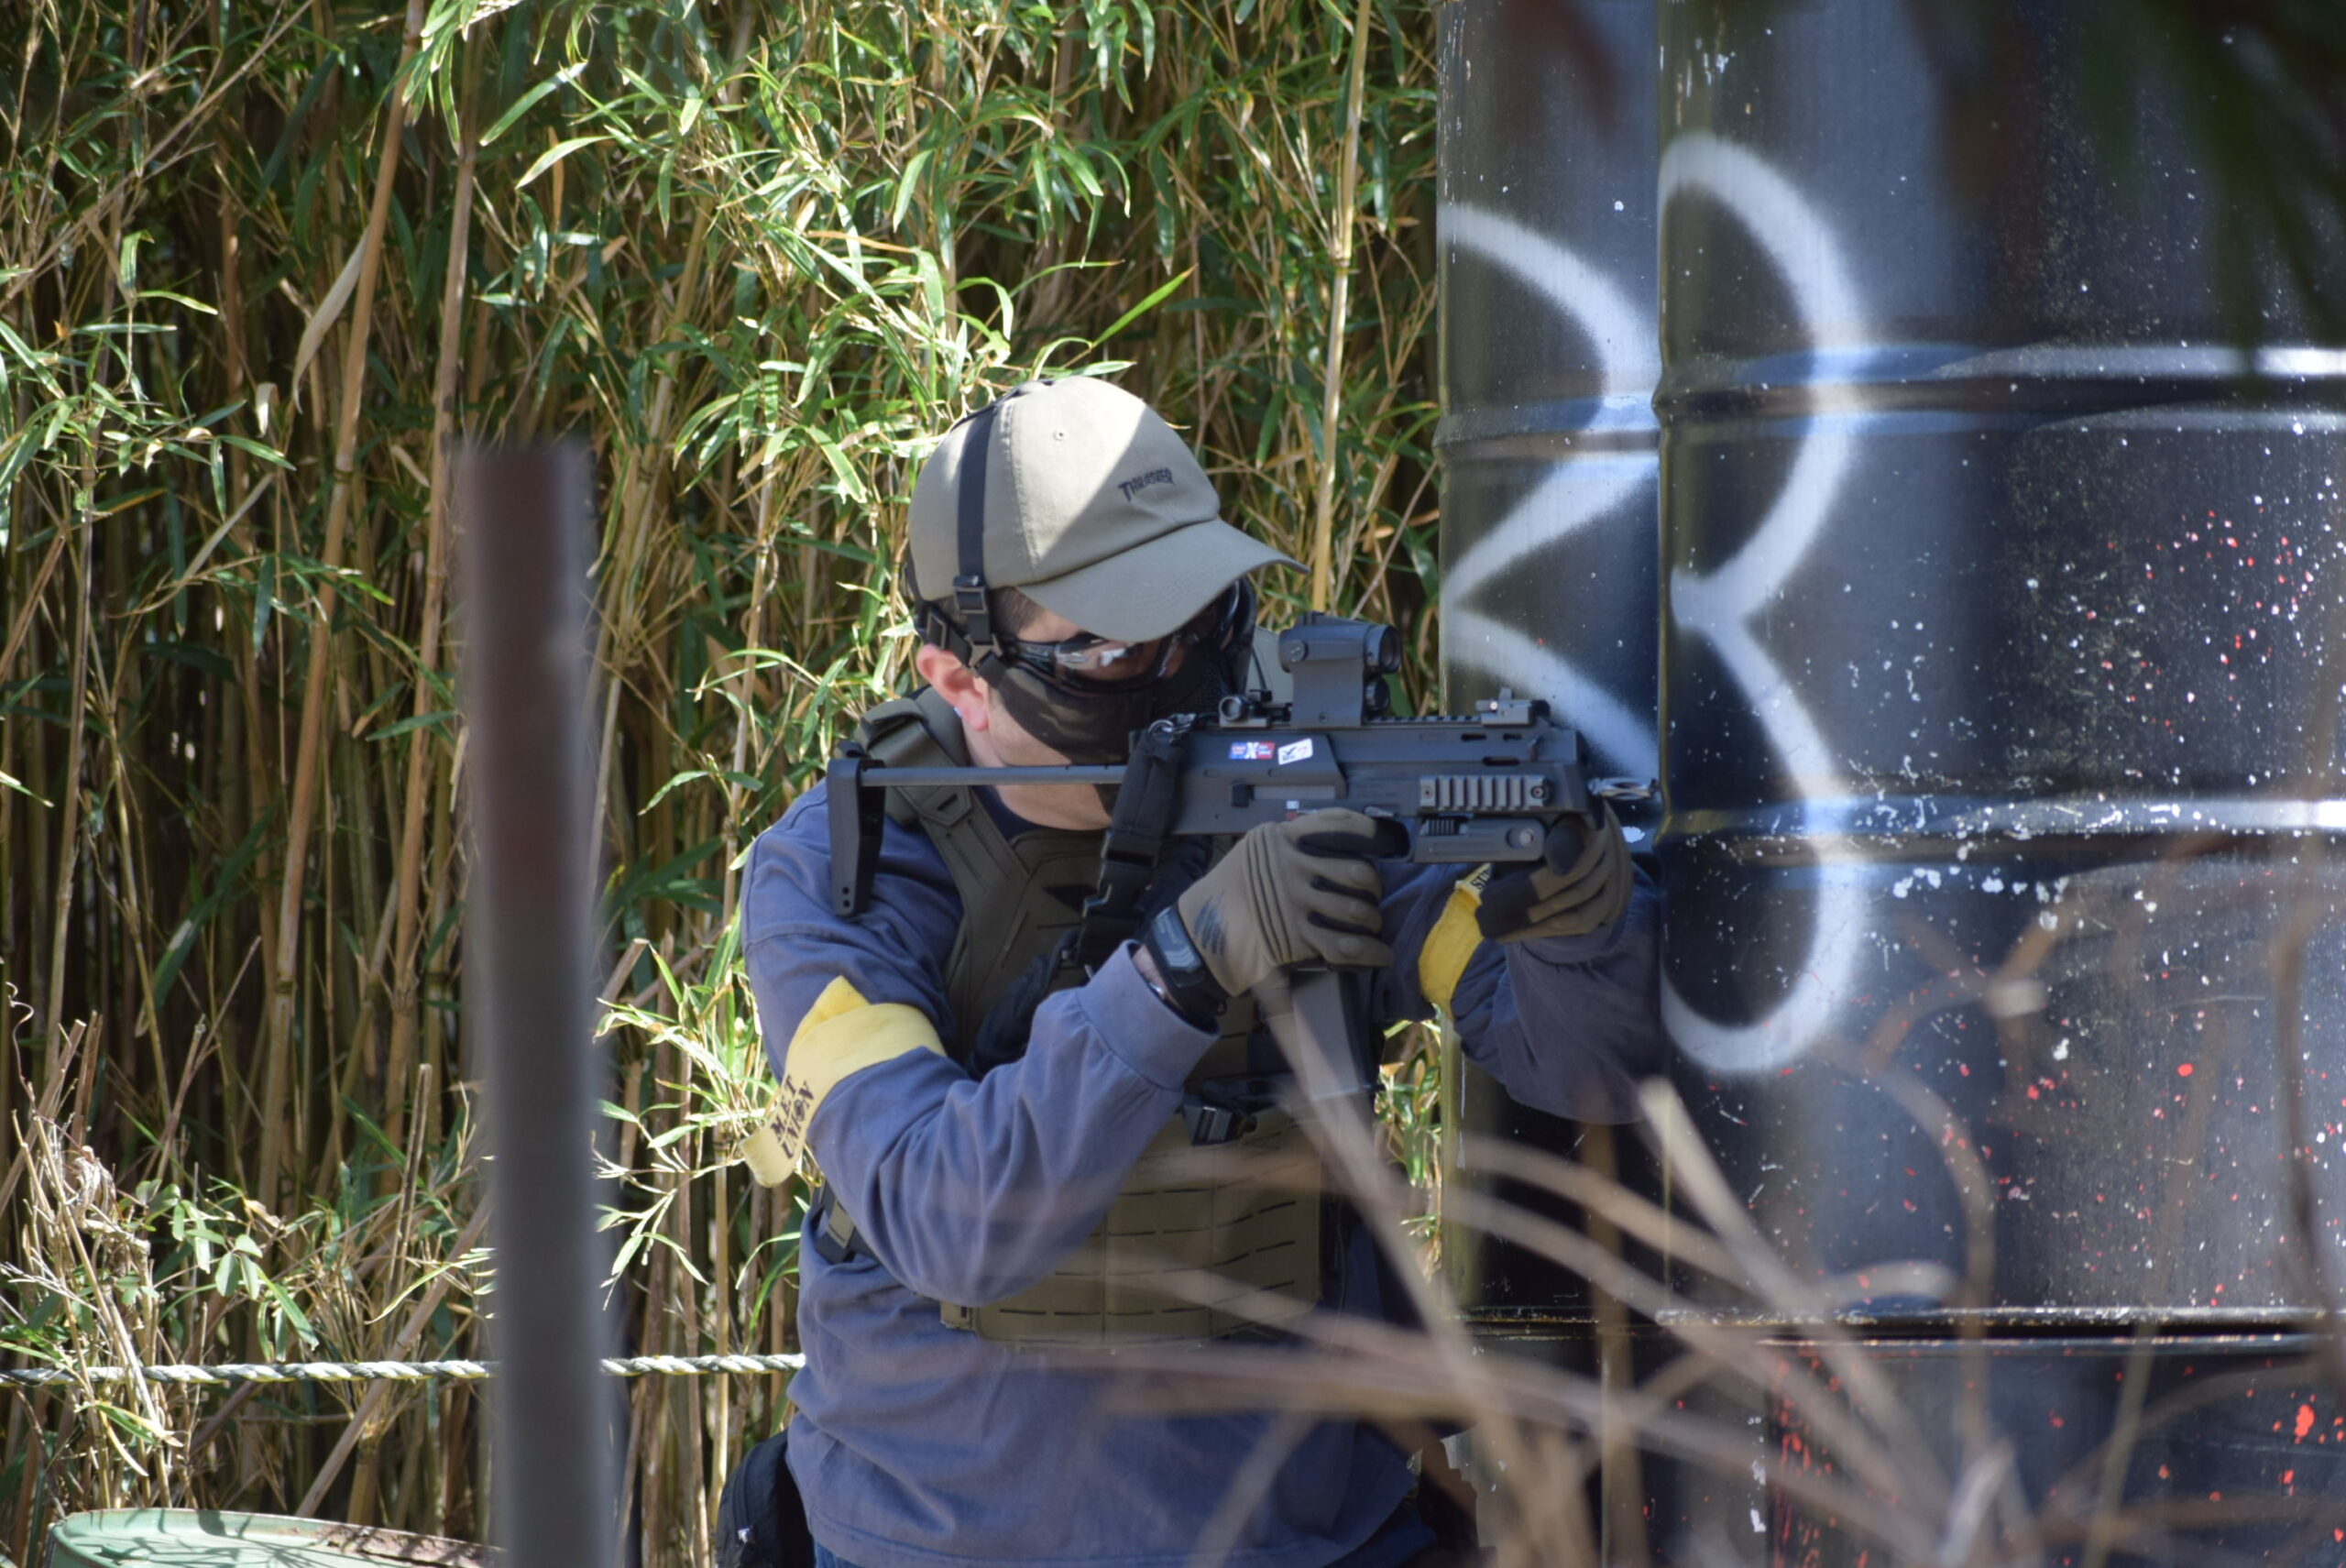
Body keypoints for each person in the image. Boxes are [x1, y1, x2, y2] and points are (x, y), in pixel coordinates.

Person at [727, 376, 1661, 1568]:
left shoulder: (1303, 784)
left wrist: (1582, 925)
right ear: (960, 678)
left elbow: (1588, 1071)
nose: (1179, 670)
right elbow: (945, 1217)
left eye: (1207, 616)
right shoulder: (847, 872)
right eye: (1119, 648)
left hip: (1310, 1537)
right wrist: (1186, 963)